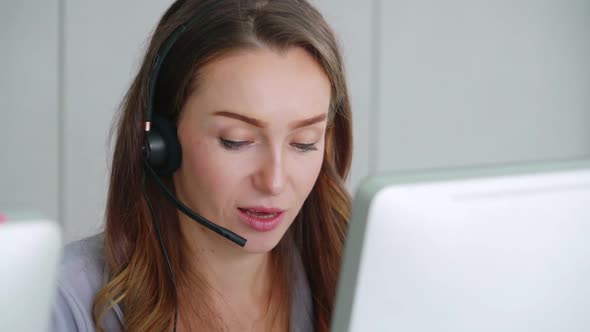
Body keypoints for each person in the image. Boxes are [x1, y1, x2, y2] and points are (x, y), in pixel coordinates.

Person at [51, 0, 353, 331]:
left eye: (304, 142)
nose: (274, 181)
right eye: (236, 141)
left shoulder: (356, 274)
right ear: (160, 142)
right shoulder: (63, 301)